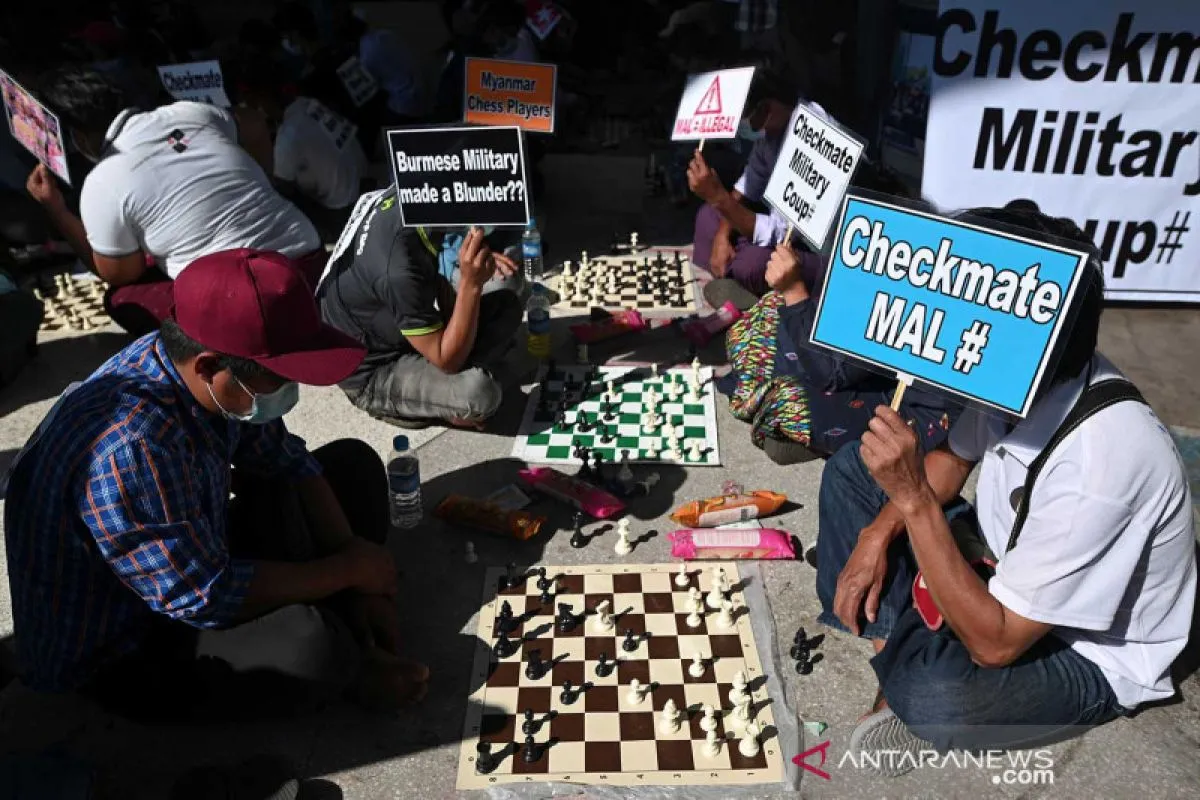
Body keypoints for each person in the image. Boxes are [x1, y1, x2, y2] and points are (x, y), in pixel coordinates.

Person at [815, 206, 1197, 773]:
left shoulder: (1100, 468)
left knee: (936, 697)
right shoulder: (1020, 375)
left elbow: (997, 644)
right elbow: (953, 460)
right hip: (1001, 557)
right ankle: (909, 638)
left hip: (1078, 648)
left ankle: (906, 660)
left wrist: (913, 502)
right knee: (854, 470)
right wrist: (875, 536)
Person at [3, 248, 429, 721]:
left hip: (192, 551)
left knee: (351, 466)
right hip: (125, 643)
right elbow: (205, 594)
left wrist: (357, 569)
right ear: (208, 367)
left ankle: (345, 617)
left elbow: (287, 462)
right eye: (279, 378)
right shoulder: (133, 448)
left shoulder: (198, 371)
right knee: (309, 647)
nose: (291, 390)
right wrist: (346, 572)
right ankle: (352, 662)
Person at [26, 67, 322, 336]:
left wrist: (55, 208)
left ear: (77, 137)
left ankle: (223, 349)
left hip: (245, 302)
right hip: (309, 263)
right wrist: (263, 182)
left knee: (123, 299)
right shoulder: (191, 112)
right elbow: (255, 123)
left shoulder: (102, 181)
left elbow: (122, 272)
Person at [318, 188, 523, 429]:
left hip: (397, 328)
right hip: (373, 371)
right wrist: (471, 284)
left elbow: (435, 286)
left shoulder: (413, 199)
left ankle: (442, 387)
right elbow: (447, 361)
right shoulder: (398, 270)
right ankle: (404, 402)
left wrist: (475, 259)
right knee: (479, 392)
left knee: (506, 307)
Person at [230, 56, 371, 239]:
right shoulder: (307, 103)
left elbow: (279, 189)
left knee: (276, 201)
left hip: (342, 209)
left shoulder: (288, 138)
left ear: (259, 100)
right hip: (360, 183)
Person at [688, 74, 798, 297]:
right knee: (707, 217)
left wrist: (719, 198)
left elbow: (783, 233)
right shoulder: (771, 134)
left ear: (765, 109)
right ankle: (735, 278)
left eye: (744, 116)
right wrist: (722, 235)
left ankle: (743, 282)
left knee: (752, 264)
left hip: (804, 249)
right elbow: (748, 184)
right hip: (773, 228)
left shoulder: (807, 135)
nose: (742, 125)